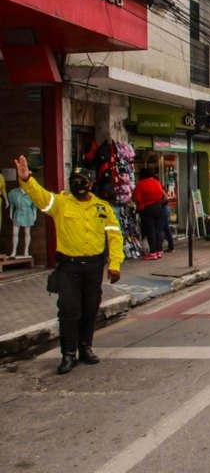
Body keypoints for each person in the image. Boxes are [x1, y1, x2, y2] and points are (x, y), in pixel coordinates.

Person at [14, 158, 123, 374]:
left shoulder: (103, 208)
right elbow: (41, 198)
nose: (78, 184)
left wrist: (115, 264)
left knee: (90, 309)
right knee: (68, 311)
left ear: (91, 184)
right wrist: (27, 180)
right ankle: (68, 354)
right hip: (69, 267)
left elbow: (115, 237)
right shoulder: (60, 203)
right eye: (74, 180)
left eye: (82, 180)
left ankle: (86, 348)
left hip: (93, 267)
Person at [133, 168, 165, 260]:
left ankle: (153, 252)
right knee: (158, 229)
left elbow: (136, 197)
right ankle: (159, 251)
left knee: (151, 230)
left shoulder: (141, 184)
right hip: (158, 207)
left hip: (147, 209)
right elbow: (162, 195)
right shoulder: (157, 182)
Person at [7, 187, 36, 257]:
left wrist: (35, 215)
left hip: (28, 212)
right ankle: (14, 251)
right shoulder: (13, 192)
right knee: (15, 233)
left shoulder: (31, 191)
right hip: (18, 212)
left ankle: (26, 250)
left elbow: (34, 205)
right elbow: (11, 204)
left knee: (27, 232)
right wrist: (10, 213)